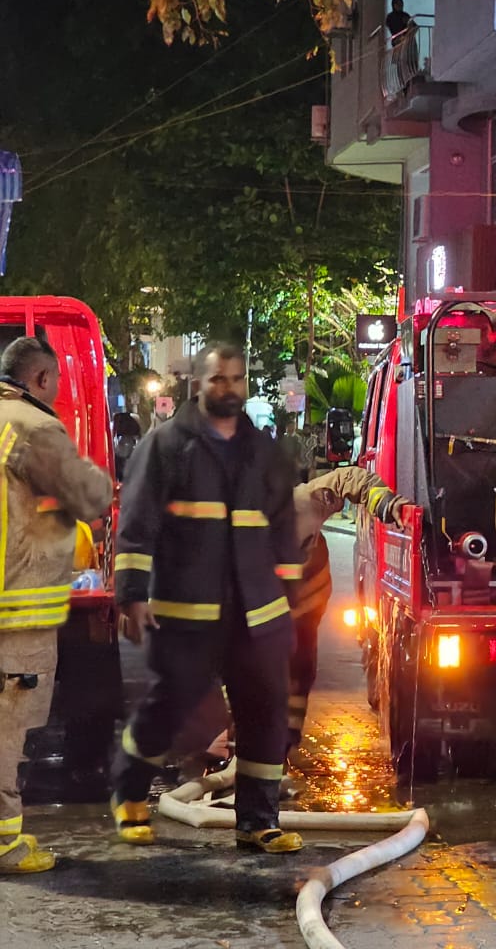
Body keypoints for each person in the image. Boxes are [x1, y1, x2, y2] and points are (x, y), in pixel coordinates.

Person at [110, 343, 306, 854]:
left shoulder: (262, 450)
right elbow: (136, 526)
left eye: (237, 380)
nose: (229, 389)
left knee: (264, 712)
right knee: (169, 708)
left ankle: (258, 822)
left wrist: (288, 596)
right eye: (219, 379)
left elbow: (283, 527)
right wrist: (131, 596)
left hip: (256, 613)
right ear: (198, 384)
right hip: (186, 613)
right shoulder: (167, 445)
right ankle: (130, 798)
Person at [0, 338, 113, 873]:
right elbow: (88, 495)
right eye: (58, 382)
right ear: (42, 378)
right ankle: (3, 843)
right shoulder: (33, 426)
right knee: (8, 724)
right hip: (14, 610)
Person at [286, 468, 411, 755]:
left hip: (310, 593)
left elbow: (350, 479)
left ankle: (286, 741)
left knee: (301, 666)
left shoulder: (305, 501)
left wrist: (385, 503)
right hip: (270, 603)